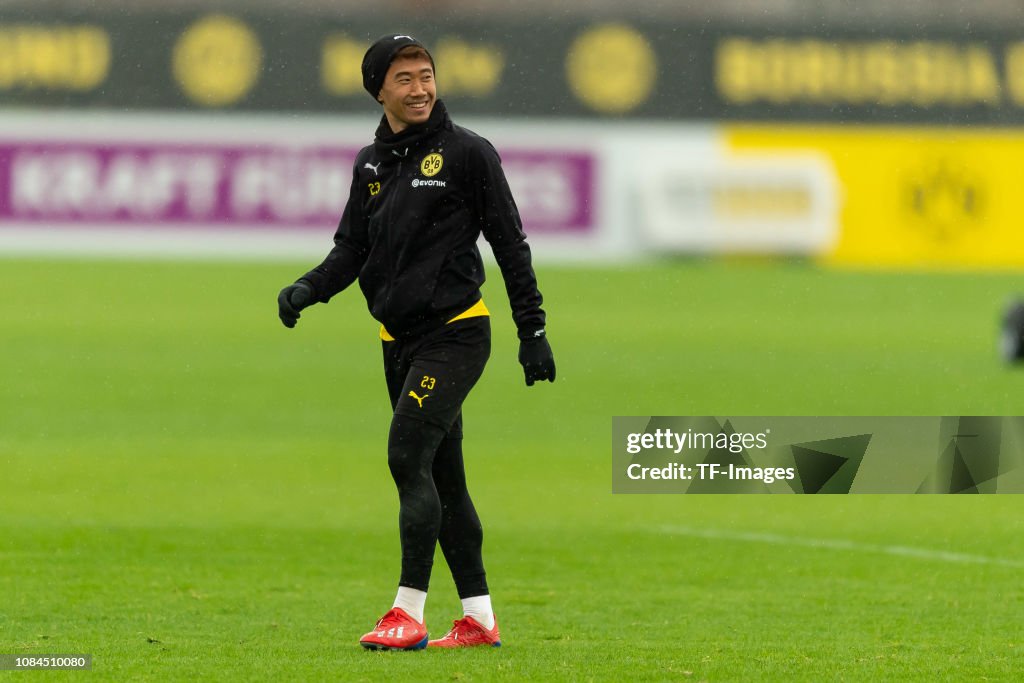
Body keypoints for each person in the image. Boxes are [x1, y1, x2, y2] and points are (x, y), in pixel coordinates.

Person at [277, 34, 555, 650]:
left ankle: (408, 612)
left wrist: (532, 330)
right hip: (395, 341)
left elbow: (511, 245)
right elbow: (352, 248)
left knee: (407, 454)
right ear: (379, 90)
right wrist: (309, 288)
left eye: (426, 75)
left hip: (456, 335)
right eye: (404, 78)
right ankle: (479, 620)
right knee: (444, 477)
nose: (421, 87)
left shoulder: (468, 154)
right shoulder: (371, 163)